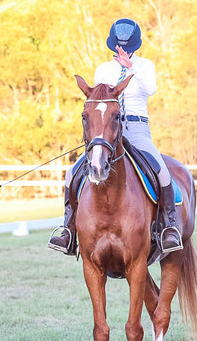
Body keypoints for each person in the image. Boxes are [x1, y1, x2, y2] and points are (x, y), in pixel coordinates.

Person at [47, 18, 183, 256]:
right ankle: (68, 228)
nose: (123, 50)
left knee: (161, 170)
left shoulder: (145, 65)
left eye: (127, 46)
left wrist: (131, 66)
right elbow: (99, 102)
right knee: (72, 173)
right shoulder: (103, 70)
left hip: (136, 129)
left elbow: (150, 89)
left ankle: (168, 226)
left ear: (134, 45)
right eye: (120, 45)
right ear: (113, 44)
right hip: (108, 131)